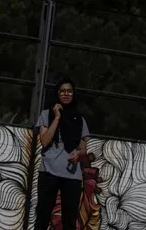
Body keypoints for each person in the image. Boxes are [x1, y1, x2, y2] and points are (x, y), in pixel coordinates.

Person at [34, 77, 90, 230]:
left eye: (69, 91)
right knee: (42, 218)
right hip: (49, 172)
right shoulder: (47, 115)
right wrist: (57, 117)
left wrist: (79, 154)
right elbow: (44, 141)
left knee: (69, 222)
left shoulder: (79, 119)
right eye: (62, 91)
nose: (66, 94)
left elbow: (84, 148)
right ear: (57, 94)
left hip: (72, 176)